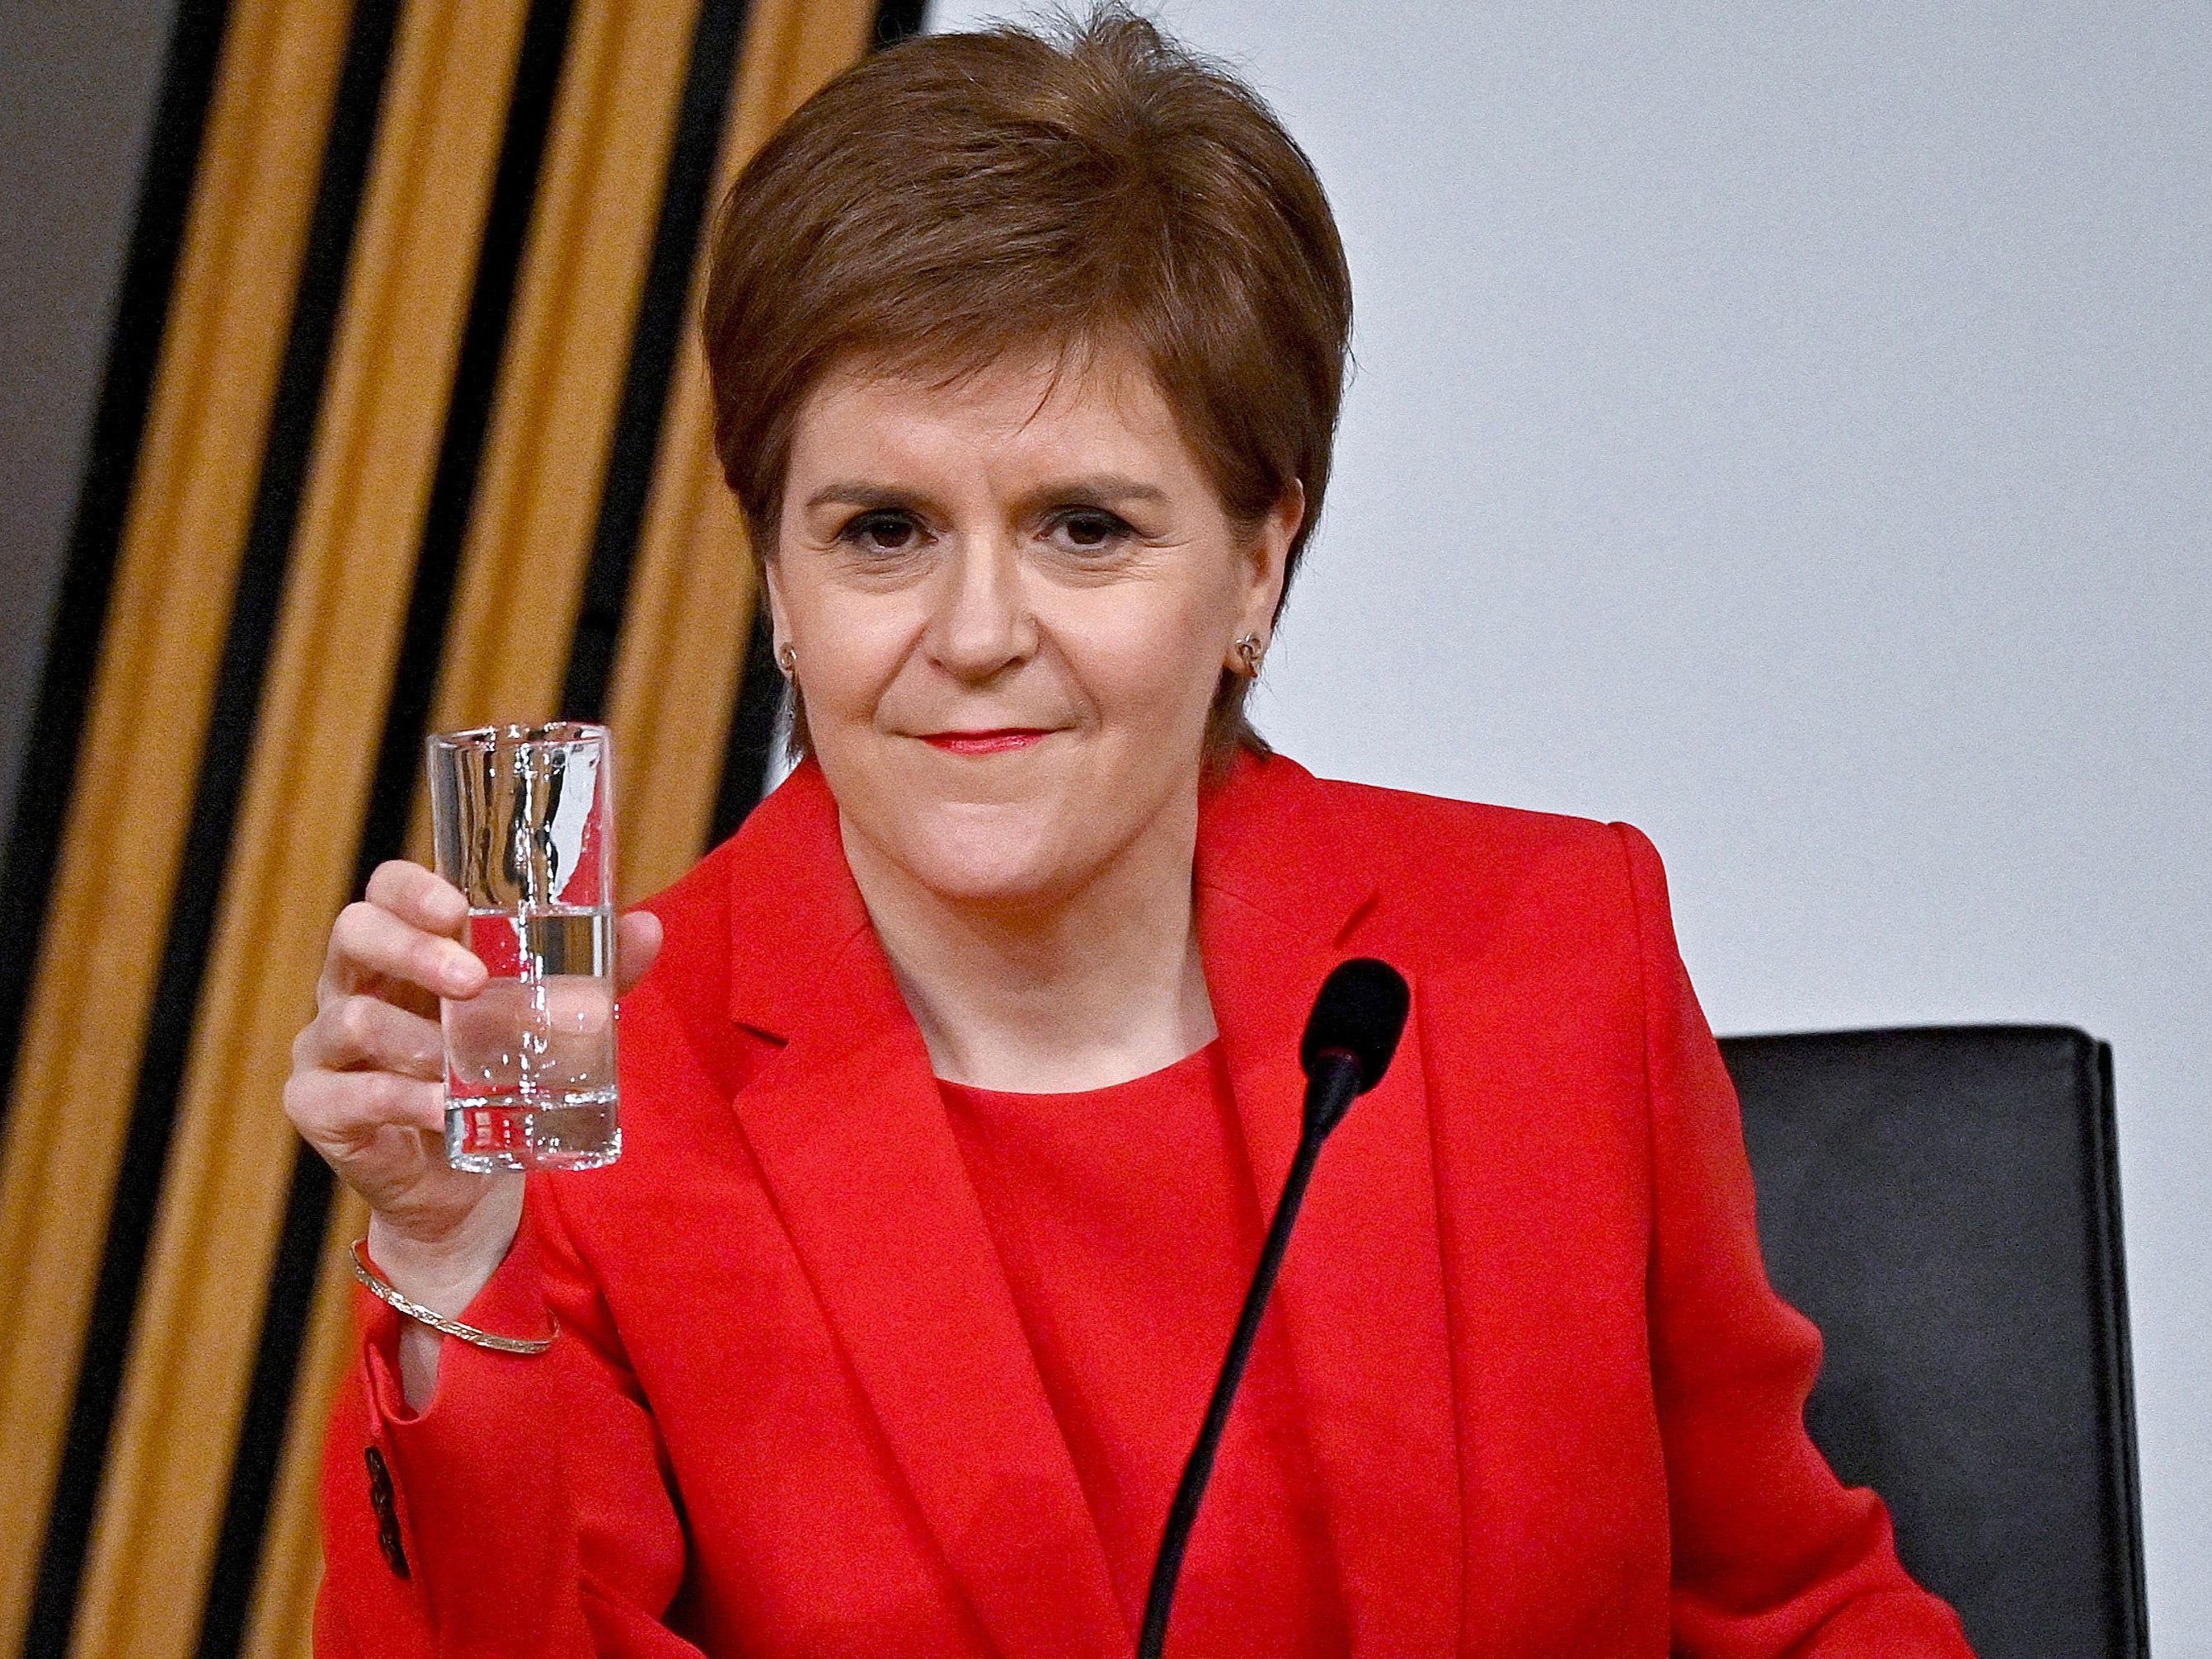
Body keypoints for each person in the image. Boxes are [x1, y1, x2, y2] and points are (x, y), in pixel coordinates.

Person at [288, 12, 1975, 1657]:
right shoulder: (591, 1103)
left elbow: (1793, 1609)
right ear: (776, 582)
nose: (974, 630)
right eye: (881, 531)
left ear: (1255, 561)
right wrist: (454, 1260)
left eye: (1082, 528)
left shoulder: (1546, 955)